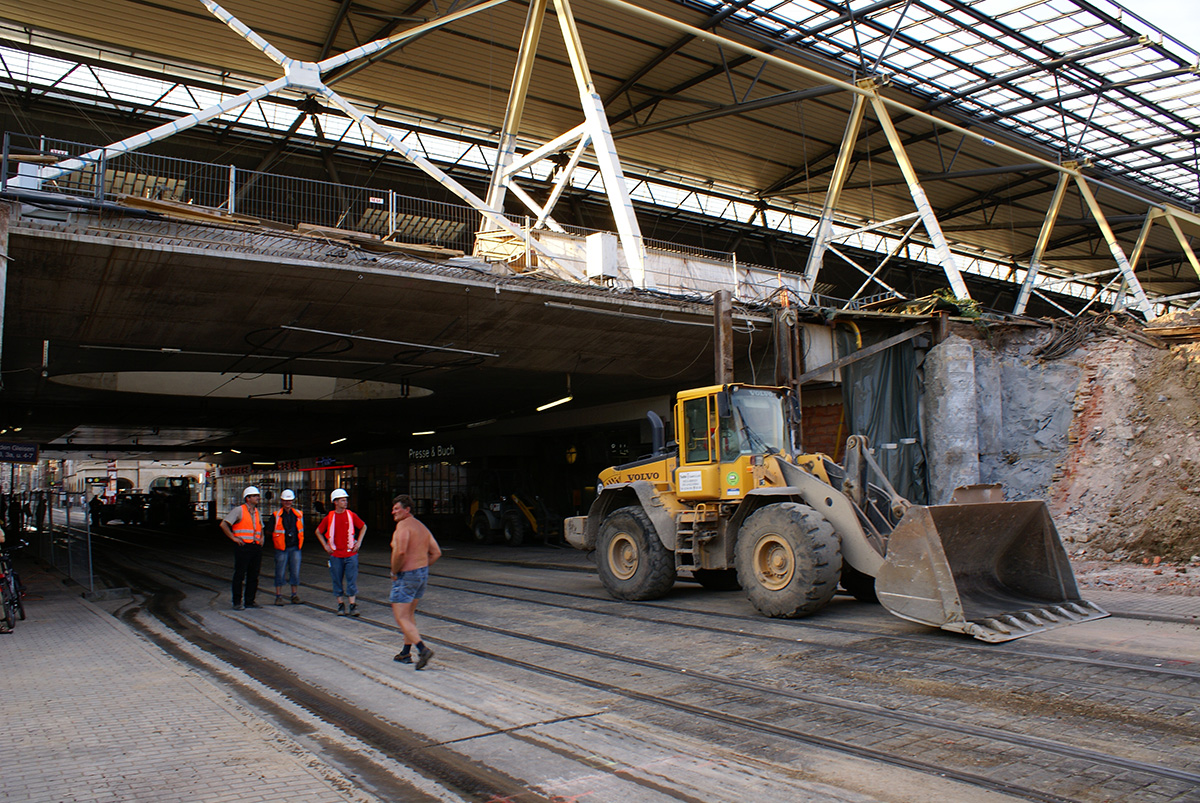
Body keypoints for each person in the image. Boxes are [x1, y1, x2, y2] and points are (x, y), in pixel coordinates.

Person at [388, 494, 441, 670]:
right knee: (409, 616)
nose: (393, 512)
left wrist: (395, 571)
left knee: (401, 617)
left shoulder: (402, 527)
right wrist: (422, 567)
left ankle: (422, 649)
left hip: (406, 575)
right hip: (421, 574)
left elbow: (400, 552)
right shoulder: (421, 527)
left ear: (407, 509)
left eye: (397, 509)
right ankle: (405, 652)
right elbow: (436, 552)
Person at [315, 488, 366, 616]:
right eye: (343, 500)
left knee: (351, 579)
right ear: (335, 502)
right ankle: (341, 604)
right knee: (337, 579)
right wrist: (325, 545)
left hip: (350, 554)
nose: (345, 502)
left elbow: (363, 526)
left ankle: (352, 605)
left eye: (346, 500)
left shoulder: (351, 515)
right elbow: (318, 531)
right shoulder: (330, 517)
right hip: (336, 555)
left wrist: (358, 542)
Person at [219, 486, 265, 611]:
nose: (257, 498)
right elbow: (224, 524)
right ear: (248, 498)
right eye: (255, 496)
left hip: (255, 547)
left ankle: (250, 601)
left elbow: (260, 527)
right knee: (240, 574)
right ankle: (237, 601)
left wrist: (261, 539)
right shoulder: (239, 511)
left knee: (253, 575)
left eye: (257, 495)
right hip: (243, 547)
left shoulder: (257, 512)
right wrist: (233, 538)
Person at [270, 489, 304, 606]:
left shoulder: (298, 514)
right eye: (286, 501)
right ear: (282, 501)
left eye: (289, 500)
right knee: (280, 572)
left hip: (295, 547)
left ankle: (294, 595)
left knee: (295, 572)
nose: (288, 503)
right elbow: (270, 531)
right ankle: (278, 596)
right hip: (281, 548)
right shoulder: (276, 515)